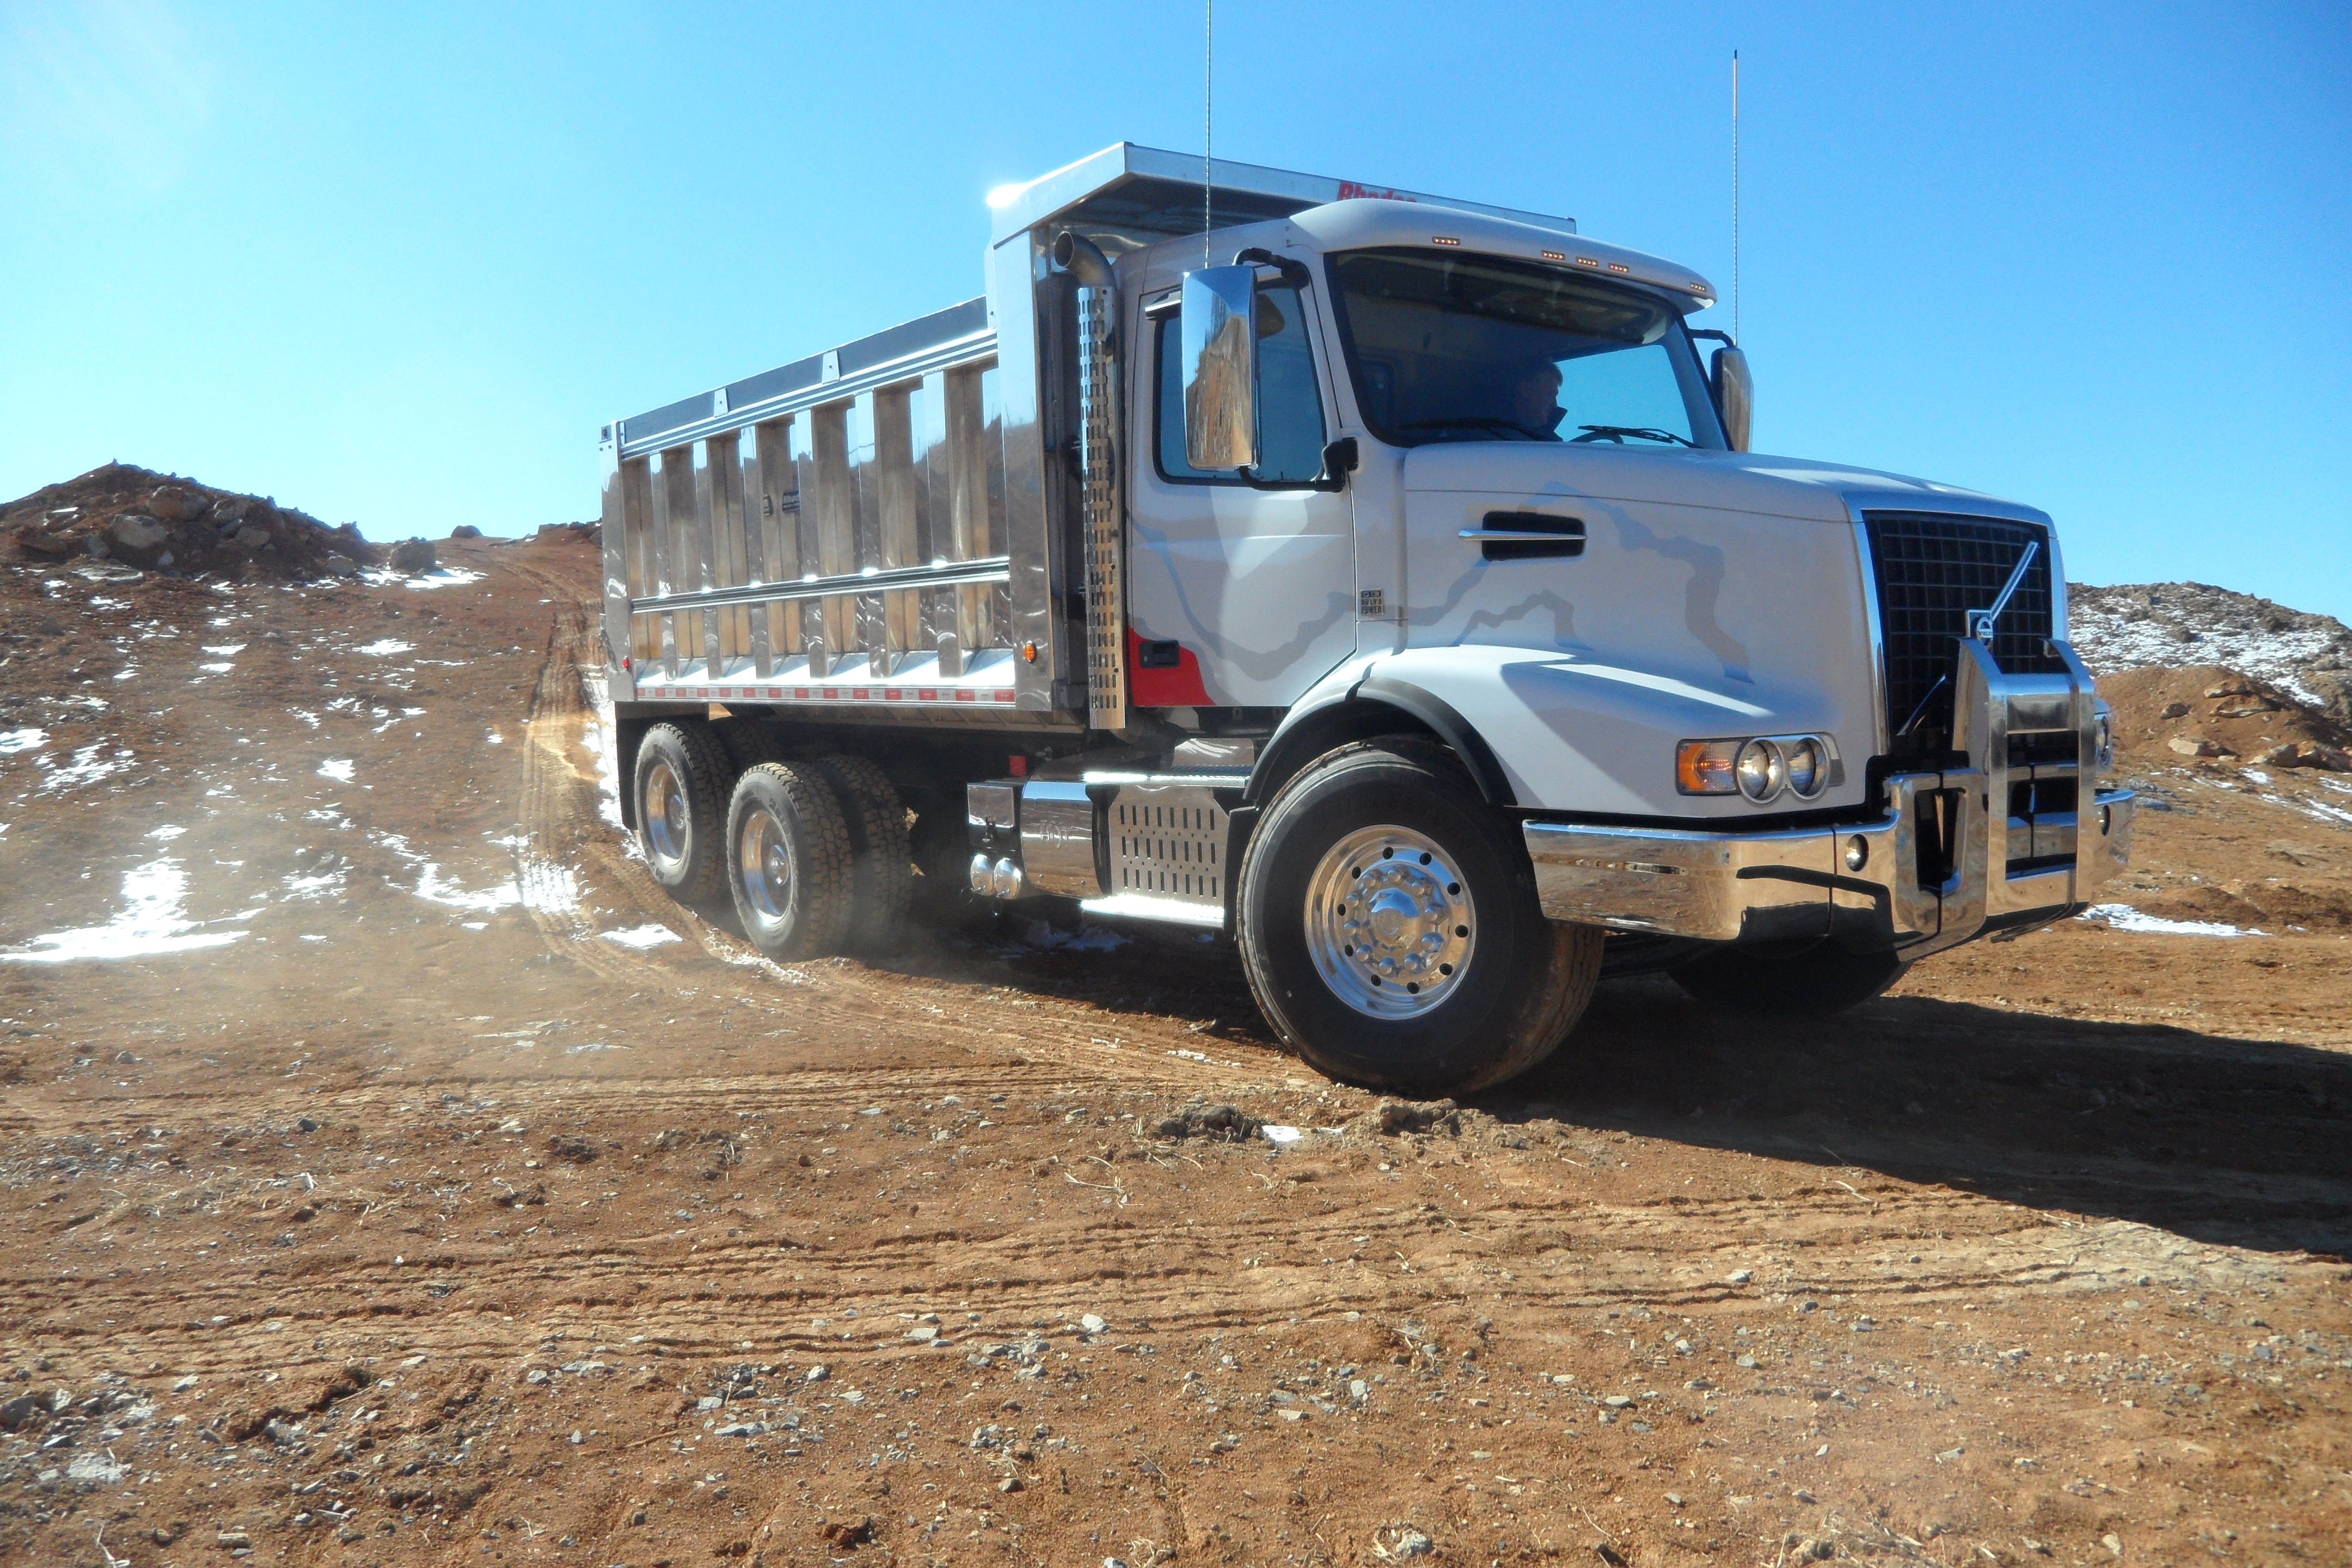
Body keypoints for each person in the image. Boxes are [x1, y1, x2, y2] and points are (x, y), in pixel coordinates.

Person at [1509, 359, 1567, 439]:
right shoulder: (1493, 436)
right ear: (1526, 390)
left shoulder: (1549, 442)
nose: (1555, 406)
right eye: (1549, 394)